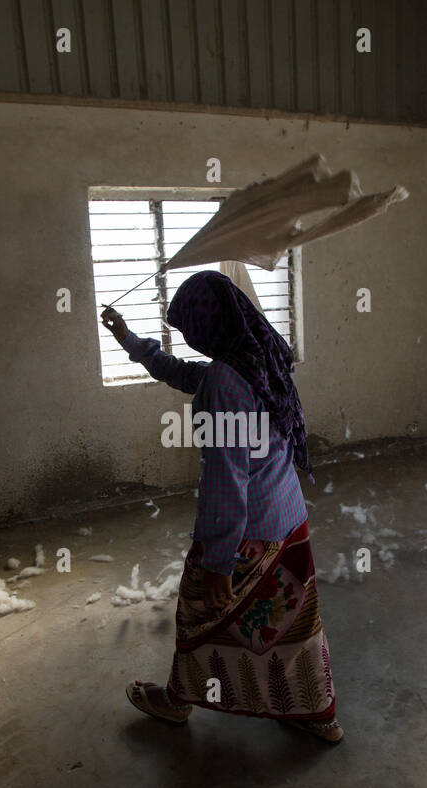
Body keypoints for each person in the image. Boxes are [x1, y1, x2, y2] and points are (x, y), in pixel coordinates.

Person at [100, 270, 341, 743]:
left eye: (189, 328)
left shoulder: (226, 383)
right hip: (288, 519)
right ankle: (316, 711)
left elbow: (226, 479)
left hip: (250, 532)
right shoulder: (259, 354)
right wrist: (130, 339)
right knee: (293, 622)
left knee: (198, 611)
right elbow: (192, 375)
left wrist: (217, 560)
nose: (190, 338)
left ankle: (176, 701)